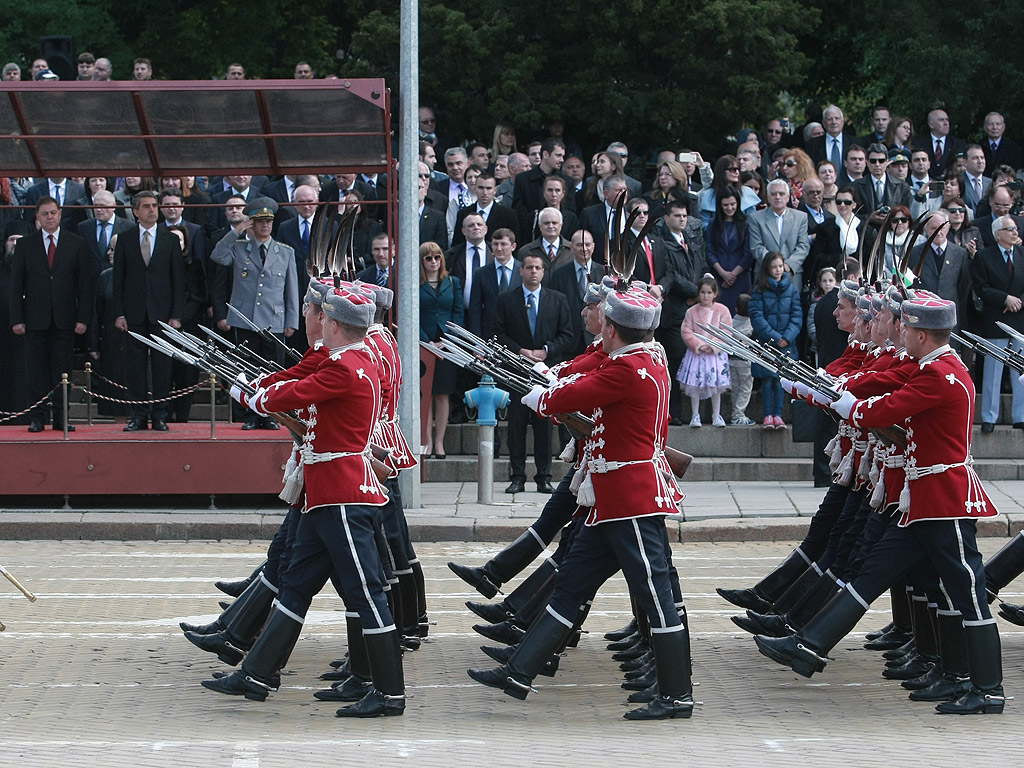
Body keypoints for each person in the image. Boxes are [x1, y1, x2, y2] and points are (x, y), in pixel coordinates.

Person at [756, 296, 1007, 716]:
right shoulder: (931, 368)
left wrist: (843, 403)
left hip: (942, 499)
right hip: (922, 499)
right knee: (872, 572)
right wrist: (837, 395)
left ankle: (988, 688)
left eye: (906, 329)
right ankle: (810, 645)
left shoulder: (940, 374)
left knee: (968, 593)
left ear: (921, 335)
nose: (900, 335)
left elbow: (886, 409)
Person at [467, 286, 694, 721]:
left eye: (605, 324)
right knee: (571, 584)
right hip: (610, 500)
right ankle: (519, 671)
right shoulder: (645, 358)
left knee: (656, 596)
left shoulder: (627, 369)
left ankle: (677, 695)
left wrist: (540, 393)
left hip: (630, 499)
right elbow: (588, 374)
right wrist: (554, 377)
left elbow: (562, 400)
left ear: (611, 329)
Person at [209, 196, 299, 429]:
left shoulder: (284, 252)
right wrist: (237, 230)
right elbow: (218, 255)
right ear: (252, 223)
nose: (265, 226)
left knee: (273, 370)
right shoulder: (240, 248)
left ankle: (270, 415)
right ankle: (249, 415)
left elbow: (292, 289)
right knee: (246, 369)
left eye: (268, 221)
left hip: (274, 320)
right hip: (245, 319)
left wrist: (292, 320)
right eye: (259, 221)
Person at [9, 197, 91, 432]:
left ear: (60, 213)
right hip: (34, 320)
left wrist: (82, 318)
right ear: (37, 217)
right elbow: (17, 286)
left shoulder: (76, 243)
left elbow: (84, 286)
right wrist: (17, 319)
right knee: (35, 371)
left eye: (53, 213)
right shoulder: (26, 244)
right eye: (44, 214)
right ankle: (37, 417)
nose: (49, 217)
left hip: (65, 320)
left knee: (62, 371)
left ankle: (61, 418)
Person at [494, 253, 573, 493]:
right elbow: (498, 333)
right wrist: (520, 351)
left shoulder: (557, 299)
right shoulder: (506, 300)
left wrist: (546, 351)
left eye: (538, 268)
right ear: (521, 271)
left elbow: (568, 334)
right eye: (529, 267)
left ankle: (544, 477)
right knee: (516, 427)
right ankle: (517, 477)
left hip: (545, 372)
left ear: (543, 271)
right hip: (517, 372)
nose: (533, 272)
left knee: (544, 427)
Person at [111, 191, 185, 432]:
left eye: (154, 206)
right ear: (135, 211)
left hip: (162, 314)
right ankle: (138, 415)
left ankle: (160, 415)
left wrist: (176, 315)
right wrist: (119, 313)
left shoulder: (170, 239)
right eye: (146, 206)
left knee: (162, 367)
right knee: (135, 367)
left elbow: (177, 280)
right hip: (133, 313)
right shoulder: (124, 238)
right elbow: (118, 280)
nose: (152, 210)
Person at [972, 215, 1024, 432]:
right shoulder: (984, 256)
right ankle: (989, 417)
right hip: (996, 317)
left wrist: (1018, 301)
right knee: (994, 369)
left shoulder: (1022, 253)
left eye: (1015, 228)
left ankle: (1020, 416)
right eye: (1009, 228)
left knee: (1020, 370)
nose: (1015, 232)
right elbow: (980, 287)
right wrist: (1004, 299)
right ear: (997, 234)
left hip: (1020, 318)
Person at [419, 241, 462, 459]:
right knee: (424, 394)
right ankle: (425, 441)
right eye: (428, 258)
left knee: (442, 395)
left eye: (437, 257)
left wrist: (447, 340)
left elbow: (458, 313)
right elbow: (410, 313)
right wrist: (426, 341)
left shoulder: (452, 282)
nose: (433, 262)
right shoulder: (415, 283)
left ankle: (439, 442)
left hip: (447, 344)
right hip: (423, 344)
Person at [749, 251, 802, 429]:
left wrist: (787, 337)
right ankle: (767, 416)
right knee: (767, 379)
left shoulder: (792, 289)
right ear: (767, 269)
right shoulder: (759, 290)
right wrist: (775, 337)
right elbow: (757, 317)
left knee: (782, 379)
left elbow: (797, 316)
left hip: (787, 343)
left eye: (780, 266)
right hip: (767, 342)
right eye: (774, 267)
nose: (778, 270)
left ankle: (778, 415)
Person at [678, 274, 732, 427]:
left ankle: (717, 414)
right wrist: (698, 344)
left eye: (709, 292)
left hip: (715, 356)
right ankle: (695, 415)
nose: (706, 296)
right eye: (703, 292)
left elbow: (726, 331)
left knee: (716, 386)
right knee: (695, 384)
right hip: (697, 354)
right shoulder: (692, 311)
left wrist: (713, 345)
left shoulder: (722, 310)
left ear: (715, 293)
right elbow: (686, 330)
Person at [706, 189, 753, 314]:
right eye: (725, 205)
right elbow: (710, 251)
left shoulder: (746, 223)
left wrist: (733, 274)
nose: (730, 208)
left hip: (741, 277)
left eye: (733, 204)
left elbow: (748, 253)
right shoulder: (713, 223)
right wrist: (723, 274)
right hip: (719, 277)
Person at [698, 155, 761, 230]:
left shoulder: (747, 192)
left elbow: (752, 222)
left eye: (738, 169)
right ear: (722, 171)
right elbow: (705, 224)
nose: (737, 172)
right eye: (732, 170)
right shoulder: (707, 195)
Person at [806, 267, 837, 362]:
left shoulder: (840, 302)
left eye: (831, 280)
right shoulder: (815, 304)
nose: (828, 284)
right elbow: (811, 325)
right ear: (820, 283)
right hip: (820, 346)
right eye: (824, 281)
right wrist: (820, 338)